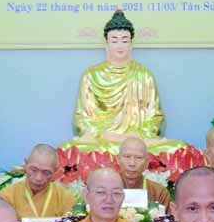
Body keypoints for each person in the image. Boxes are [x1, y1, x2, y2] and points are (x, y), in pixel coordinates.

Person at [70, 10, 182, 154]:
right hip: (103, 139)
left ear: (131, 44)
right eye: (114, 41)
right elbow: (82, 117)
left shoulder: (143, 75)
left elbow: (155, 116)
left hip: (137, 140)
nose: (120, 45)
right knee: (72, 149)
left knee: (177, 148)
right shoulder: (91, 75)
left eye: (124, 40)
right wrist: (102, 134)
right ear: (107, 44)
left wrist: (140, 134)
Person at [0, 144, 76, 218]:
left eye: (46, 172)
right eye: (33, 170)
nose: (38, 178)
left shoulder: (65, 198)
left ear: (55, 171)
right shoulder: (7, 195)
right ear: (25, 165)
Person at [117, 136, 171, 211]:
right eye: (127, 156)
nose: (132, 163)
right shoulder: (105, 190)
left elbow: (166, 218)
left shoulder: (159, 192)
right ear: (118, 159)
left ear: (147, 162)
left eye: (138, 157)